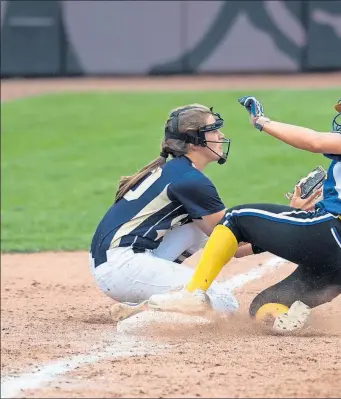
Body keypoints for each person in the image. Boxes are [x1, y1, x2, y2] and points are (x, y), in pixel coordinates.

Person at [146, 73, 341, 333]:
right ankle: (292, 316)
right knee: (264, 309)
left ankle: (193, 295)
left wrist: (263, 123)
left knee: (238, 217)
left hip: (332, 236)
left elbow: (314, 141)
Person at [89, 103, 321, 322]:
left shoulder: (175, 171)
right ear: (195, 141)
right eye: (213, 130)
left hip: (116, 263)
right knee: (224, 302)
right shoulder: (191, 181)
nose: (220, 136)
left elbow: (231, 244)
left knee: (203, 229)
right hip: (123, 268)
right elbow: (236, 243)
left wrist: (283, 223)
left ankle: (155, 299)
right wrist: (292, 218)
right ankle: (147, 309)